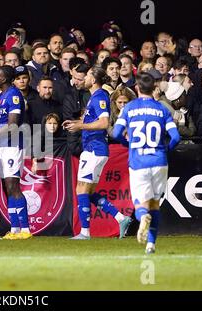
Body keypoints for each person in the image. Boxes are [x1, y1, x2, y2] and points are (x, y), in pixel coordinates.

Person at [112, 72, 180, 253]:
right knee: (155, 203)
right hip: (159, 161)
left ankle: (142, 217)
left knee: (140, 204)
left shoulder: (129, 108)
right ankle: (151, 244)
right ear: (154, 88)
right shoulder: (163, 109)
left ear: (137, 88)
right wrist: (165, 149)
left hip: (138, 161)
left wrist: (128, 144)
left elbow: (116, 133)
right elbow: (176, 137)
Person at [62, 66, 132, 240]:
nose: (83, 78)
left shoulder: (100, 96)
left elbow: (103, 123)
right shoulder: (94, 97)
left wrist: (80, 126)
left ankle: (85, 232)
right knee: (89, 192)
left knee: (81, 190)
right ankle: (121, 218)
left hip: (95, 149)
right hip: (93, 148)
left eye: (86, 75)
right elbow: (92, 120)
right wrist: (75, 122)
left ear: (93, 80)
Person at [0, 65, 32, 240]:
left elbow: (13, 125)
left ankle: (26, 229)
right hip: (3, 146)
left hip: (13, 145)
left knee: (13, 185)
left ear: (6, 78)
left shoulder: (14, 95)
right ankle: (14, 228)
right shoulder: (1, 96)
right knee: (8, 187)